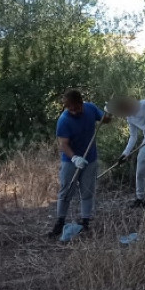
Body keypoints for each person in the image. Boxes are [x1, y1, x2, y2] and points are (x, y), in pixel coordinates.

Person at [49, 89, 110, 238]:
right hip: (70, 161)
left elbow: (105, 120)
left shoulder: (90, 108)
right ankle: (60, 221)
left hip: (91, 159)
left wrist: (109, 112)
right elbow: (63, 144)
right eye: (70, 109)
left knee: (87, 191)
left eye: (76, 108)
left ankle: (85, 222)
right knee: (66, 191)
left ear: (81, 103)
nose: (74, 111)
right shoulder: (64, 120)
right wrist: (75, 158)